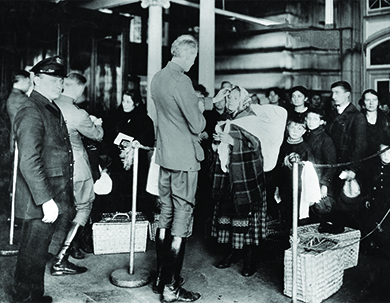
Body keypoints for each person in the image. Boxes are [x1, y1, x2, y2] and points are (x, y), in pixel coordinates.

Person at [150, 34, 228, 302]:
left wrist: (208, 100)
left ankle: (161, 277)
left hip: (164, 157)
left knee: (166, 213)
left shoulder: (158, 77)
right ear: (185, 54)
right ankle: (171, 288)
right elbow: (197, 125)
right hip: (184, 158)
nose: (194, 62)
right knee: (182, 217)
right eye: (193, 57)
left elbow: (172, 109)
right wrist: (202, 110)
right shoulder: (182, 80)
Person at [11, 56, 73, 303]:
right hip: (40, 194)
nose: (60, 84)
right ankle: (27, 298)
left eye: (61, 79)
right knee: (33, 250)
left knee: (35, 250)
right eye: (54, 79)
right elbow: (29, 159)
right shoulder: (31, 109)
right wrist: (46, 199)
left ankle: (29, 295)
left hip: (46, 190)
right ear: (36, 79)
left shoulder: (46, 105)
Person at [211, 85, 268, 277]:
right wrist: (218, 141)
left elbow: (257, 145)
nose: (229, 101)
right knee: (230, 214)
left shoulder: (251, 118)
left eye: (234, 98)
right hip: (230, 174)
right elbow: (223, 146)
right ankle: (232, 253)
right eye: (228, 99)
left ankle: (250, 260)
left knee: (247, 217)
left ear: (243, 100)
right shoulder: (230, 120)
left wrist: (232, 141)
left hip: (246, 177)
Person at [53, 72, 104, 266]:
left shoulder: (50, 105)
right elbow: (97, 136)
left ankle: (57, 251)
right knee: (84, 207)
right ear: (79, 88)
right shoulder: (78, 113)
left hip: (54, 168)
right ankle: (61, 258)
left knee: (61, 209)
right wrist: (97, 125)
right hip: (78, 168)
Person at [104, 89, 155, 217]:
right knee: (117, 190)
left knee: (134, 191)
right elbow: (108, 135)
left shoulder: (145, 120)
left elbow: (148, 140)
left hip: (136, 163)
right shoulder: (116, 116)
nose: (125, 104)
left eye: (128, 101)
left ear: (136, 103)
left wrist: (135, 143)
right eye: (123, 101)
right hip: (117, 163)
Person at [325, 80, 367, 231]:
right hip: (332, 165)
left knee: (346, 207)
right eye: (332, 93)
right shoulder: (332, 114)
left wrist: (353, 169)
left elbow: (360, 146)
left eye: (337, 93)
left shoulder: (357, 117)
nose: (333, 96)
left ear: (347, 94)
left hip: (346, 168)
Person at [276, 113, 315, 230]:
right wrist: (277, 187)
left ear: (304, 131)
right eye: (292, 127)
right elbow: (277, 168)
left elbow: (312, 171)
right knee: (285, 214)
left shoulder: (306, 148)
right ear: (287, 128)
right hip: (284, 187)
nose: (295, 131)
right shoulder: (282, 146)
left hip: (300, 188)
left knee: (299, 217)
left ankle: (298, 243)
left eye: (299, 128)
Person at [304, 107, 337, 220]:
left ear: (322, 122)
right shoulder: (304, 136)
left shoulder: (325, 139)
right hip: (306, 180)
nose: (311, 122)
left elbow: (331, 165)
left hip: (319, 181)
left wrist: (325, 185)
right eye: (309, 118)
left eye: (315, 119)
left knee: (320, 211)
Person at [358, 89, 389, 161]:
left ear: (378, 102)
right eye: (368, 100)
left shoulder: (386, 119)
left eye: (374, 100)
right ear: (363, 103)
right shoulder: (357, 119)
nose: (371, 103)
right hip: (363, 158)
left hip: (382, 158)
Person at [6, 70, 32, 152]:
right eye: (28, 82)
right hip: (20, 140)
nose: (30, 84)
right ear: (22, 80)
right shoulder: (20, 99)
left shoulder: (14, 96)